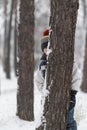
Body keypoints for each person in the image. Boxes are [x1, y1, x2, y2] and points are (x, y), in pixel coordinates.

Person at [35, 29, 81, 130]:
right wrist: (44, 91)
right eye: (45, 49)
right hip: (47, 97)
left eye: (49, 47)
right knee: (45, 118)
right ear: (43, 50)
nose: (48, 51)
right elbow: (38, 80)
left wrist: (73, 92)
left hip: (68, 97)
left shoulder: (67, 60)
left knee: (68, 119)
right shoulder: (42, 64)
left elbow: (76, 77)